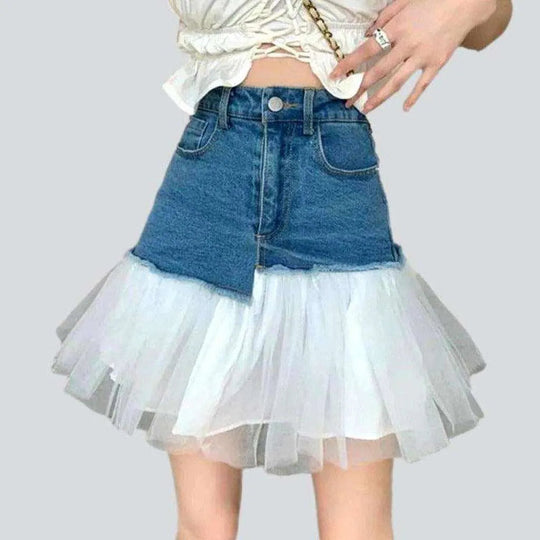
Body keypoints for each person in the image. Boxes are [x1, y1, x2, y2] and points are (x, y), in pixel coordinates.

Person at [52, 1, 513, 538]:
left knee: (358, 528)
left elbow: (488, 26)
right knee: (204, 527)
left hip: (334, 169)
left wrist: (469, 4)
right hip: (216, 165)